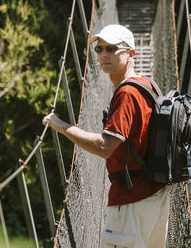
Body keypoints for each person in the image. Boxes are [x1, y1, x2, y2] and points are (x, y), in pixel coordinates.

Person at [43, 24, 170, 248]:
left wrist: (62, 126)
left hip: (131, 202)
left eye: (111, 49)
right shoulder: (148, 85)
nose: (103, 55)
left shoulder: (127, 94)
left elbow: (104, 147)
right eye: (99, 49)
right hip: (156, 197)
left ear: (131, 53)